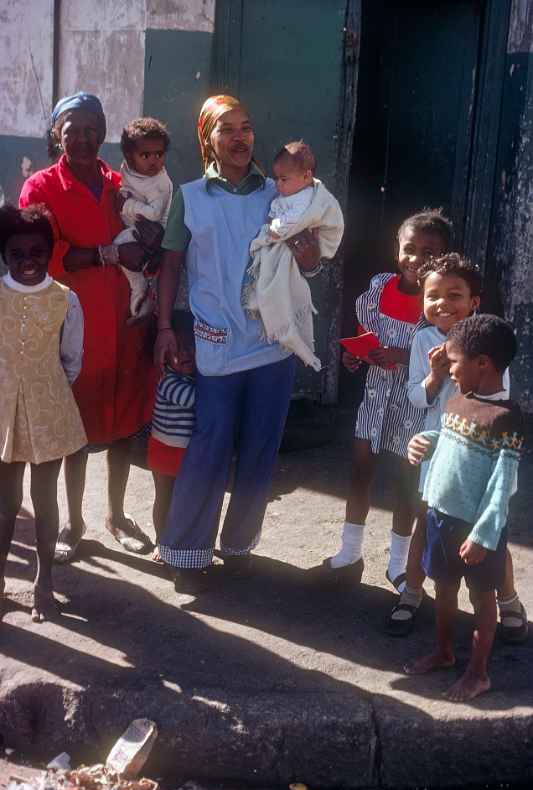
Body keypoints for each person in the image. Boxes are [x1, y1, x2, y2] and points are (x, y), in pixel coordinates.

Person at [155, 95, 326, 592]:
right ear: (207, 137)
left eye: (246, 128)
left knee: (260, 448)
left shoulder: (280, 193)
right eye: (226, 129)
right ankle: (187, 552)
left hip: (273, 343)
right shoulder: (191, 197)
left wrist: (310, 256)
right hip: (217, 342)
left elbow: (310, 263)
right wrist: (165, 327)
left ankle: (238, 546)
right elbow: (171, 265)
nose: (239, 138)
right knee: (209, 445)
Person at [19, 92, 159, 563]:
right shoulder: (41, 187)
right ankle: (75, 521)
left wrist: (152, 245)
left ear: (104, 131)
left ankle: (117, 515)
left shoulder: (123, 183)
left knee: (123, 423)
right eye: (72, 130)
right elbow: (41, 254)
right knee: (75, 428)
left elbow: (150, 239)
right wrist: (108, 254)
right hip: (74, 329)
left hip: (126, 321)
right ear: (55, 134)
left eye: (91, 129)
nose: (82, 138)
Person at [388, 255, 527, 641]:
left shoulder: (489, 341)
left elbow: (499, 400)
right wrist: (435, 376)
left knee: (490, 531)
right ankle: (411, 593)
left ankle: (508, 599)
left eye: (454, 295)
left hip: (479, 458)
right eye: (433, 296)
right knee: (426, 524)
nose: (442, 304)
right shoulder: (422, 340)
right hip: (439, 457)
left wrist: (462, 373)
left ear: (474, 302)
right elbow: (417, 398)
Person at [319, 209, 453, 589]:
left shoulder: (439, 301)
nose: (416, 259)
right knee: (360, 469)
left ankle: (398, 565)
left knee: (405, 482)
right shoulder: (380, 288)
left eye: (429, 252)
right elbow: (368, 335)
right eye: (409, 249)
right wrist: (356, 355)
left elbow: (445, 351)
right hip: (376, 395)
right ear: (398, 249)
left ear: (442, 257)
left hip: (415, 403)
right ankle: (350, 552)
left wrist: (400, 355)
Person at [404, 314, 524, 701]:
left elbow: (501, 486)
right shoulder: (458, 400)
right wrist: (425, 441)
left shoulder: (506, 419)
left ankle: (478, 673)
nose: (449, 370)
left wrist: (483, 536)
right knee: (444, 588)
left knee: (481, 597)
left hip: (477, 530)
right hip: (441, 515)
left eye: (454, 362)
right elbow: (448, 440)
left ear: (482, 363)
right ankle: (444, 652)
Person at [0, 204, 87, 622]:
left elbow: (71, 360)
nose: (28, 262)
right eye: (17, 254)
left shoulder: (65, 300)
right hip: (3, 415)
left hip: (48, 412)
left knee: (44, 497)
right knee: (5, 502)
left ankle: (44, 582)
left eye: (37, 252)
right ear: (4, 256)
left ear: (49, 253)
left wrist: (44, 390)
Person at [243, 140, 344, 372]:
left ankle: (283, 324)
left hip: (306, 246)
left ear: (307, 176)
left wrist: (271, 232)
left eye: (284, 179)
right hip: (289, 248)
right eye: (276, 179)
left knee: (279, 278)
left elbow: (293, 223)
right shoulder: (290, 193)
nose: (278, 184)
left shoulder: (306, 198)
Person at [148, 312, 195, 562]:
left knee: (184, 500)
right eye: (177, 348)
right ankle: (162, 541)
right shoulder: (168, 381)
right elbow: (193, 400)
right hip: (165, 452)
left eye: (190, 346)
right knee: (165, 499)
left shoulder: (193, 378)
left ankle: (184, 541)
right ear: (164, 353)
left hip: (185, 452)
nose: (184, 353)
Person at [115, 117, 173, 319]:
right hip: (135, 224)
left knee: (120, 244)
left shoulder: (160, 183)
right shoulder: (128, 170)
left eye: (159, 154)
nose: (153, 160)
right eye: (145, 155)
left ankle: (138, 284)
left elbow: (154, 214)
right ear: (129, 156)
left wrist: (127, 205)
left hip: (152, 235)